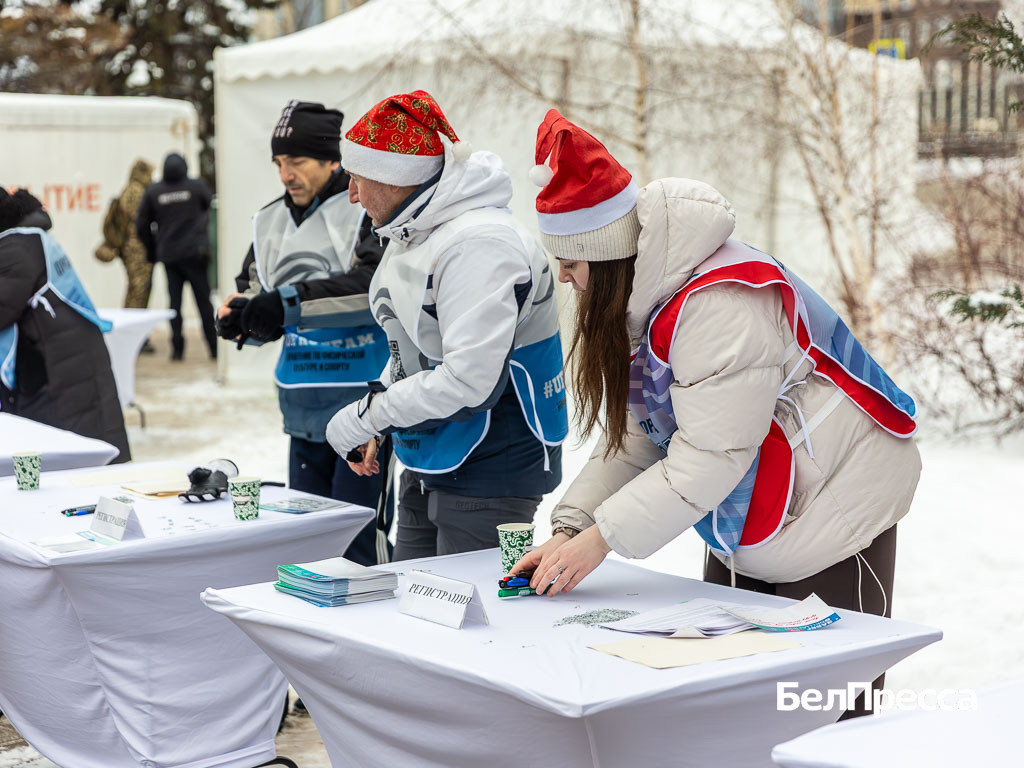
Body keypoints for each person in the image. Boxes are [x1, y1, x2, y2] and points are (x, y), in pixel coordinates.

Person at [512, 111, 921, 716]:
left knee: (824, 715)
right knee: (733, 706)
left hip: (834, 504)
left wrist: (601, 541)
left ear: (606, 256)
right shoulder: (640, 306)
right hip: (753, 510)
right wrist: (572, 528)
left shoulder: (716, 302)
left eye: (572, 264)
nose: (567, 280)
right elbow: (638, 439)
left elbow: (711, 454)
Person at [325, 90, 567, 560]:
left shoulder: (479, 242)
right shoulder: (417, 226)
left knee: (471, 623)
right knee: (410, 607)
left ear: (395, 179)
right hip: (434, 449)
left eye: (357, 178)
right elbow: (411, 346)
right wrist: (380, 419)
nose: (351, 194)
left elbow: (468, 381)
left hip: (491, 461)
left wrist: (369, 415)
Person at [216, 101, 393, 566]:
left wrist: (286, 305)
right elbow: (256, 296)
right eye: (278, 162)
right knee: (310, 543)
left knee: (356, 542)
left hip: (361, 409)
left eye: (296, 161)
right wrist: (241, 321)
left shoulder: (362, 210)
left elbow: (372, 291)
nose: (285, 174)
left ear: (331, 160)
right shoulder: (270, 220)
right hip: (301, 407)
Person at [0, 187, 131, 462]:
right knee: (87, 457)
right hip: (68, 369)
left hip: (56, 377)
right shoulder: (30, 240)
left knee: (67, 466)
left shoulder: (14, 249)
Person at [136, 152, 218, 361]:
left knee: (175, 305)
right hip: (195, 255)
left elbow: (141, 225)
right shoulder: (196, 186)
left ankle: (177, 350)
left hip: (170, 257)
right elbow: (211, 205)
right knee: (204, 303)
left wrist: (153, 250)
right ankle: (214, 348)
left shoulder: (154, 192)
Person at [95, 159, 155, 315]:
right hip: (136, 248)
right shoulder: (136, 191)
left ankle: (136, 330)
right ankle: (133, 330)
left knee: (138, 289)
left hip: (134, 247)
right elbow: (139, 220)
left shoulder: (133, 189)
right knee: (138, 290)